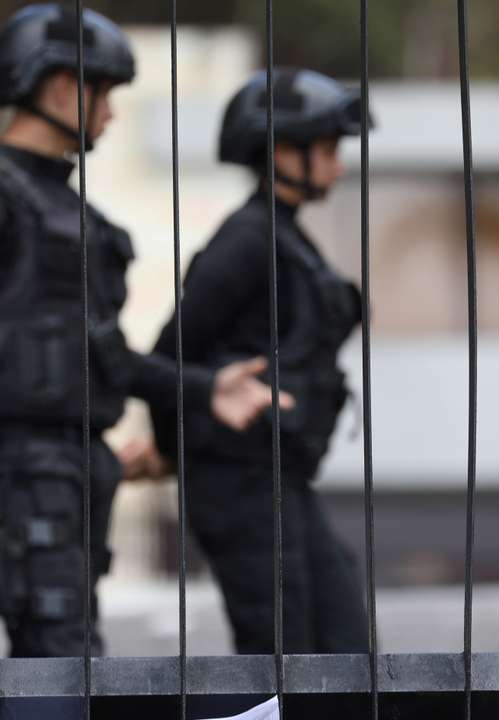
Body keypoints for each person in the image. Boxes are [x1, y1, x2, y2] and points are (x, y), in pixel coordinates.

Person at [0, 3, 287, 662]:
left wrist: (204, 389)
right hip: (18, 467)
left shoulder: (79, 218)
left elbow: (105, 357)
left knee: (71, 656)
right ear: (57, 87)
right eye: (101, 91)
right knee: (59, 656)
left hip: (81, 465)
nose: (109, 110)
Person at [143, 67, 371, 654]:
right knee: (282, 653)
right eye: (326, 149)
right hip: (237, 480)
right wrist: (176, 449)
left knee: (342, 638)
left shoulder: (286, 236)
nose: (339, 164)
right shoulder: (248, 239)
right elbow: (171, 351)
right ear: (280, 152)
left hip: (278, 475)